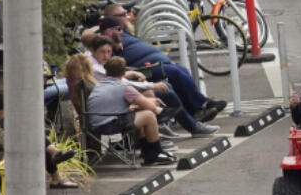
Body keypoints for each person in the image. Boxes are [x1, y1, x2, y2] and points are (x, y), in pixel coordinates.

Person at [88, 13, 226, 124]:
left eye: (119, 28)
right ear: (106, 31)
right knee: (175, 75)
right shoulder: (105, 43)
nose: (119, 31)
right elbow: (87, 35)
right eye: (114, 29)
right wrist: (108, 35)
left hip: (157, 64)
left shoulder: (124, 34)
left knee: (181, 71)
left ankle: (197, 108)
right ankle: (201, 107)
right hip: (142, 70)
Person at [83, 38, 217, 137]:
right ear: (92, 51)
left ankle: (178, 121)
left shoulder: (95, 62)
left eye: (109, 52)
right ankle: (180, 127)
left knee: (164, 88)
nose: (106, 56)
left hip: (114, 105)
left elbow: (121, 81)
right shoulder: (95, 67)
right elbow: (124, 85)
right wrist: (152, 85)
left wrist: (135, 75)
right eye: (103, 52)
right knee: (160, 95)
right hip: (111, 113)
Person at [0, 91, 79, 187]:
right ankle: (56, 170)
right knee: (35, 143)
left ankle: (55, 164)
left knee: (33, 135)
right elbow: (7, 142)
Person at [86, 57, 178, 166]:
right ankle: (155, 153)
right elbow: (148, 105)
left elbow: (117, 104)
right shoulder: (123, 87)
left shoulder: (100, 84)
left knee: (142, 111)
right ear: (124, 72)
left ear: (106, 71)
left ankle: (147, 152)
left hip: (96, 123)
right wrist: (154, 105)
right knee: (149, 115)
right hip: (108, 124)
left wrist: (149, 102)